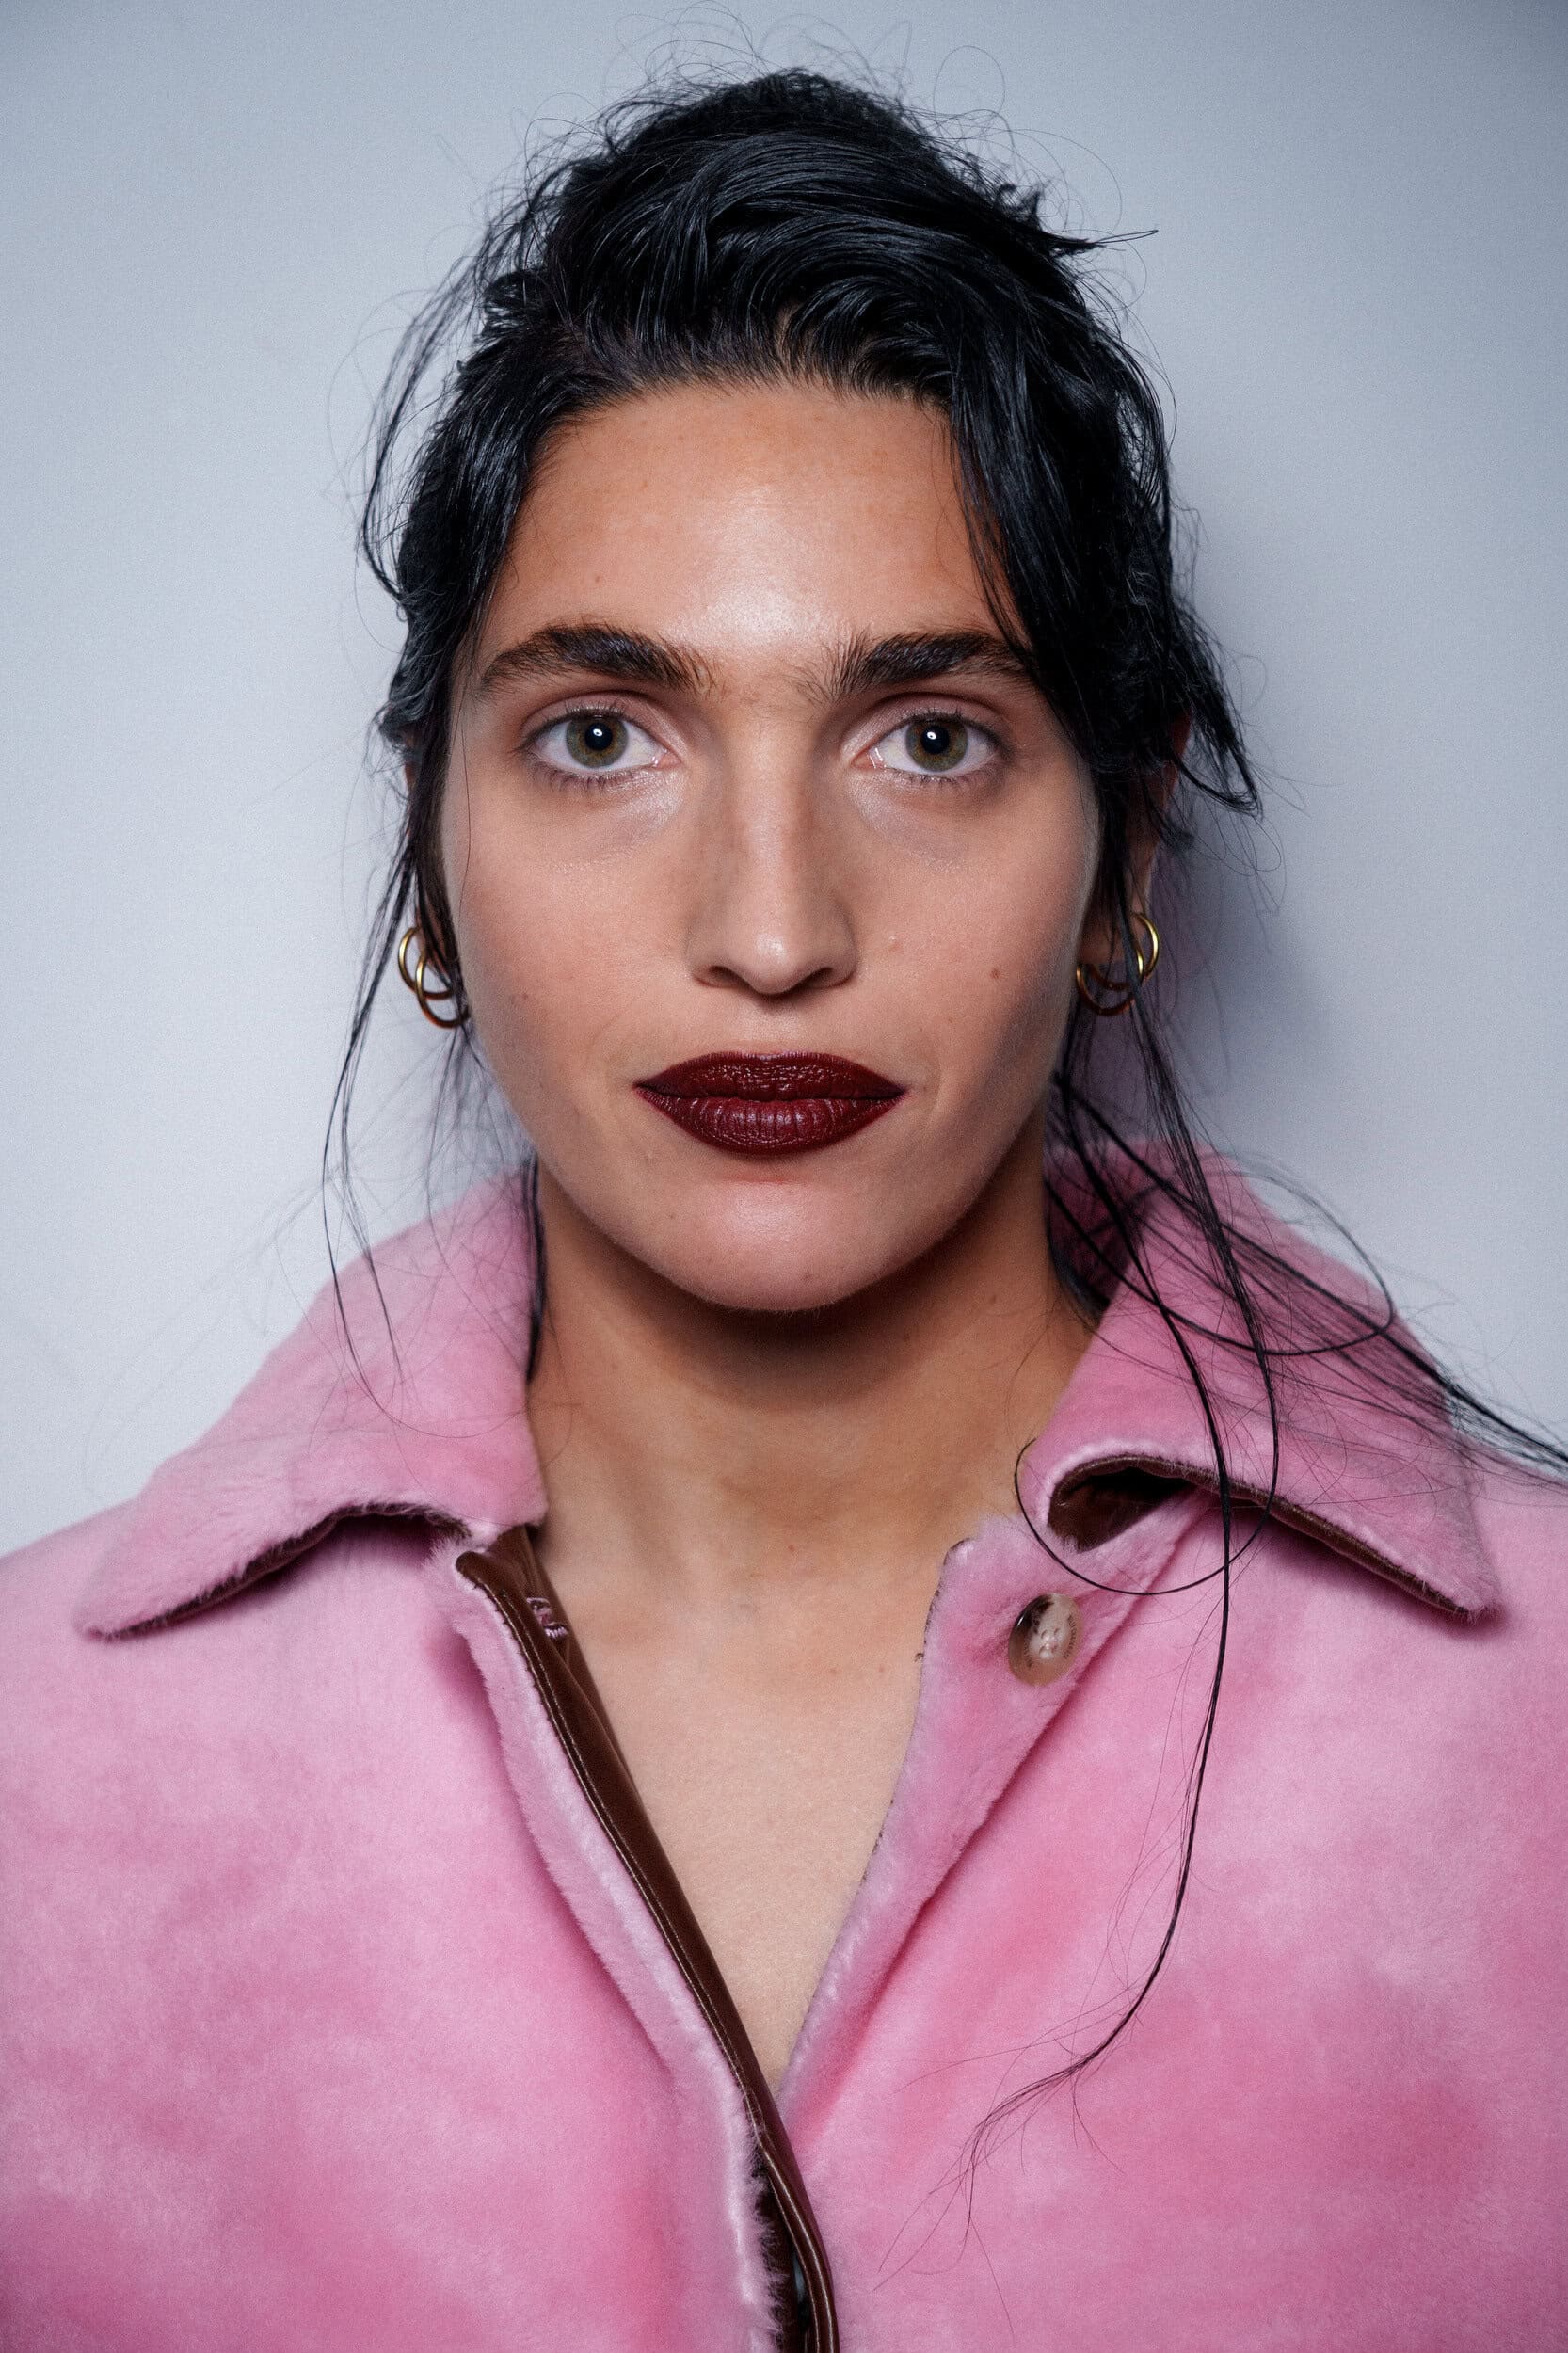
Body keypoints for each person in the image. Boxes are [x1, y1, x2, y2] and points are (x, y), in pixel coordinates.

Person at [3, 66, 1565, 2353]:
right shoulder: (32, 1769)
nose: (767, 928)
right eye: (601, 733)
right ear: (427, 845)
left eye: (926, 735)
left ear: (1122, 850)